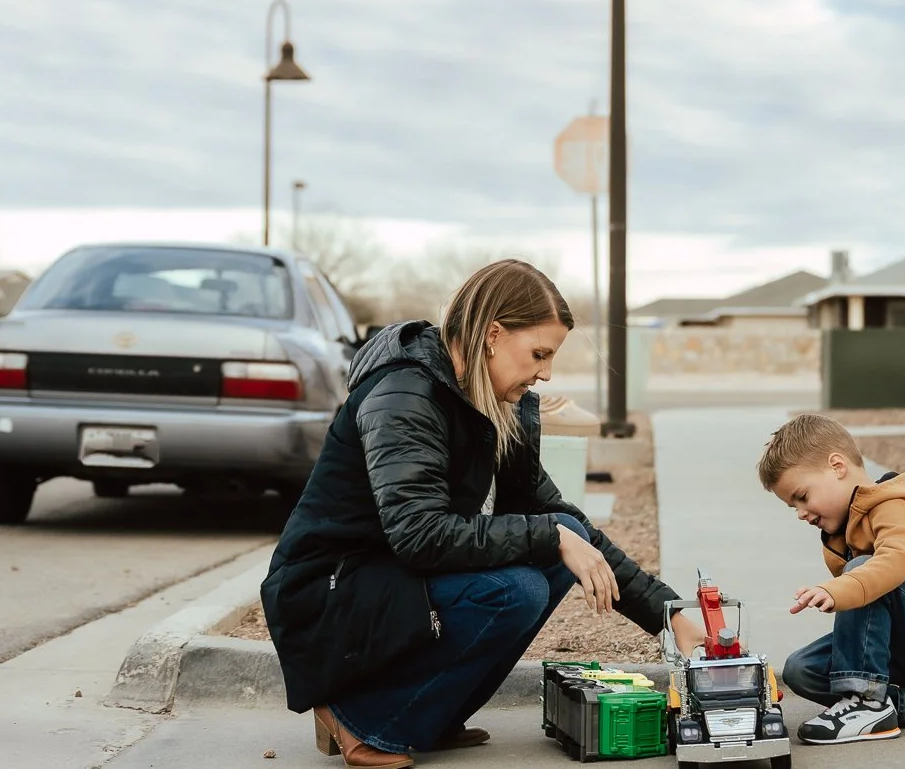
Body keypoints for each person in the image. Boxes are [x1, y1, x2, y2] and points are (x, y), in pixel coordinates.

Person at [261, 259, 703, 768]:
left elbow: (559, 517)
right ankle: (362, 718)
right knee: (517, 588)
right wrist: (549, 536)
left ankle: (430, 714)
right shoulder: (405, 393)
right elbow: (419, 535)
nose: (546, 372)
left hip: (386, 579)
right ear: (493, 334)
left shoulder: (489, 404)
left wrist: (670, 618)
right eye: (539, 353)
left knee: (567, 538)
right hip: (329, 590)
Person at [756, 412, 905, 744]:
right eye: (792, 505)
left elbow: (890, 567)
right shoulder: (844, 533)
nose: (800, 512)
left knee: (865, 571)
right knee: (801, 669)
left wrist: (839, 587)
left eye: (803, 496)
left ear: (837, 467)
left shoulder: (896, 506)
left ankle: (866, 704)